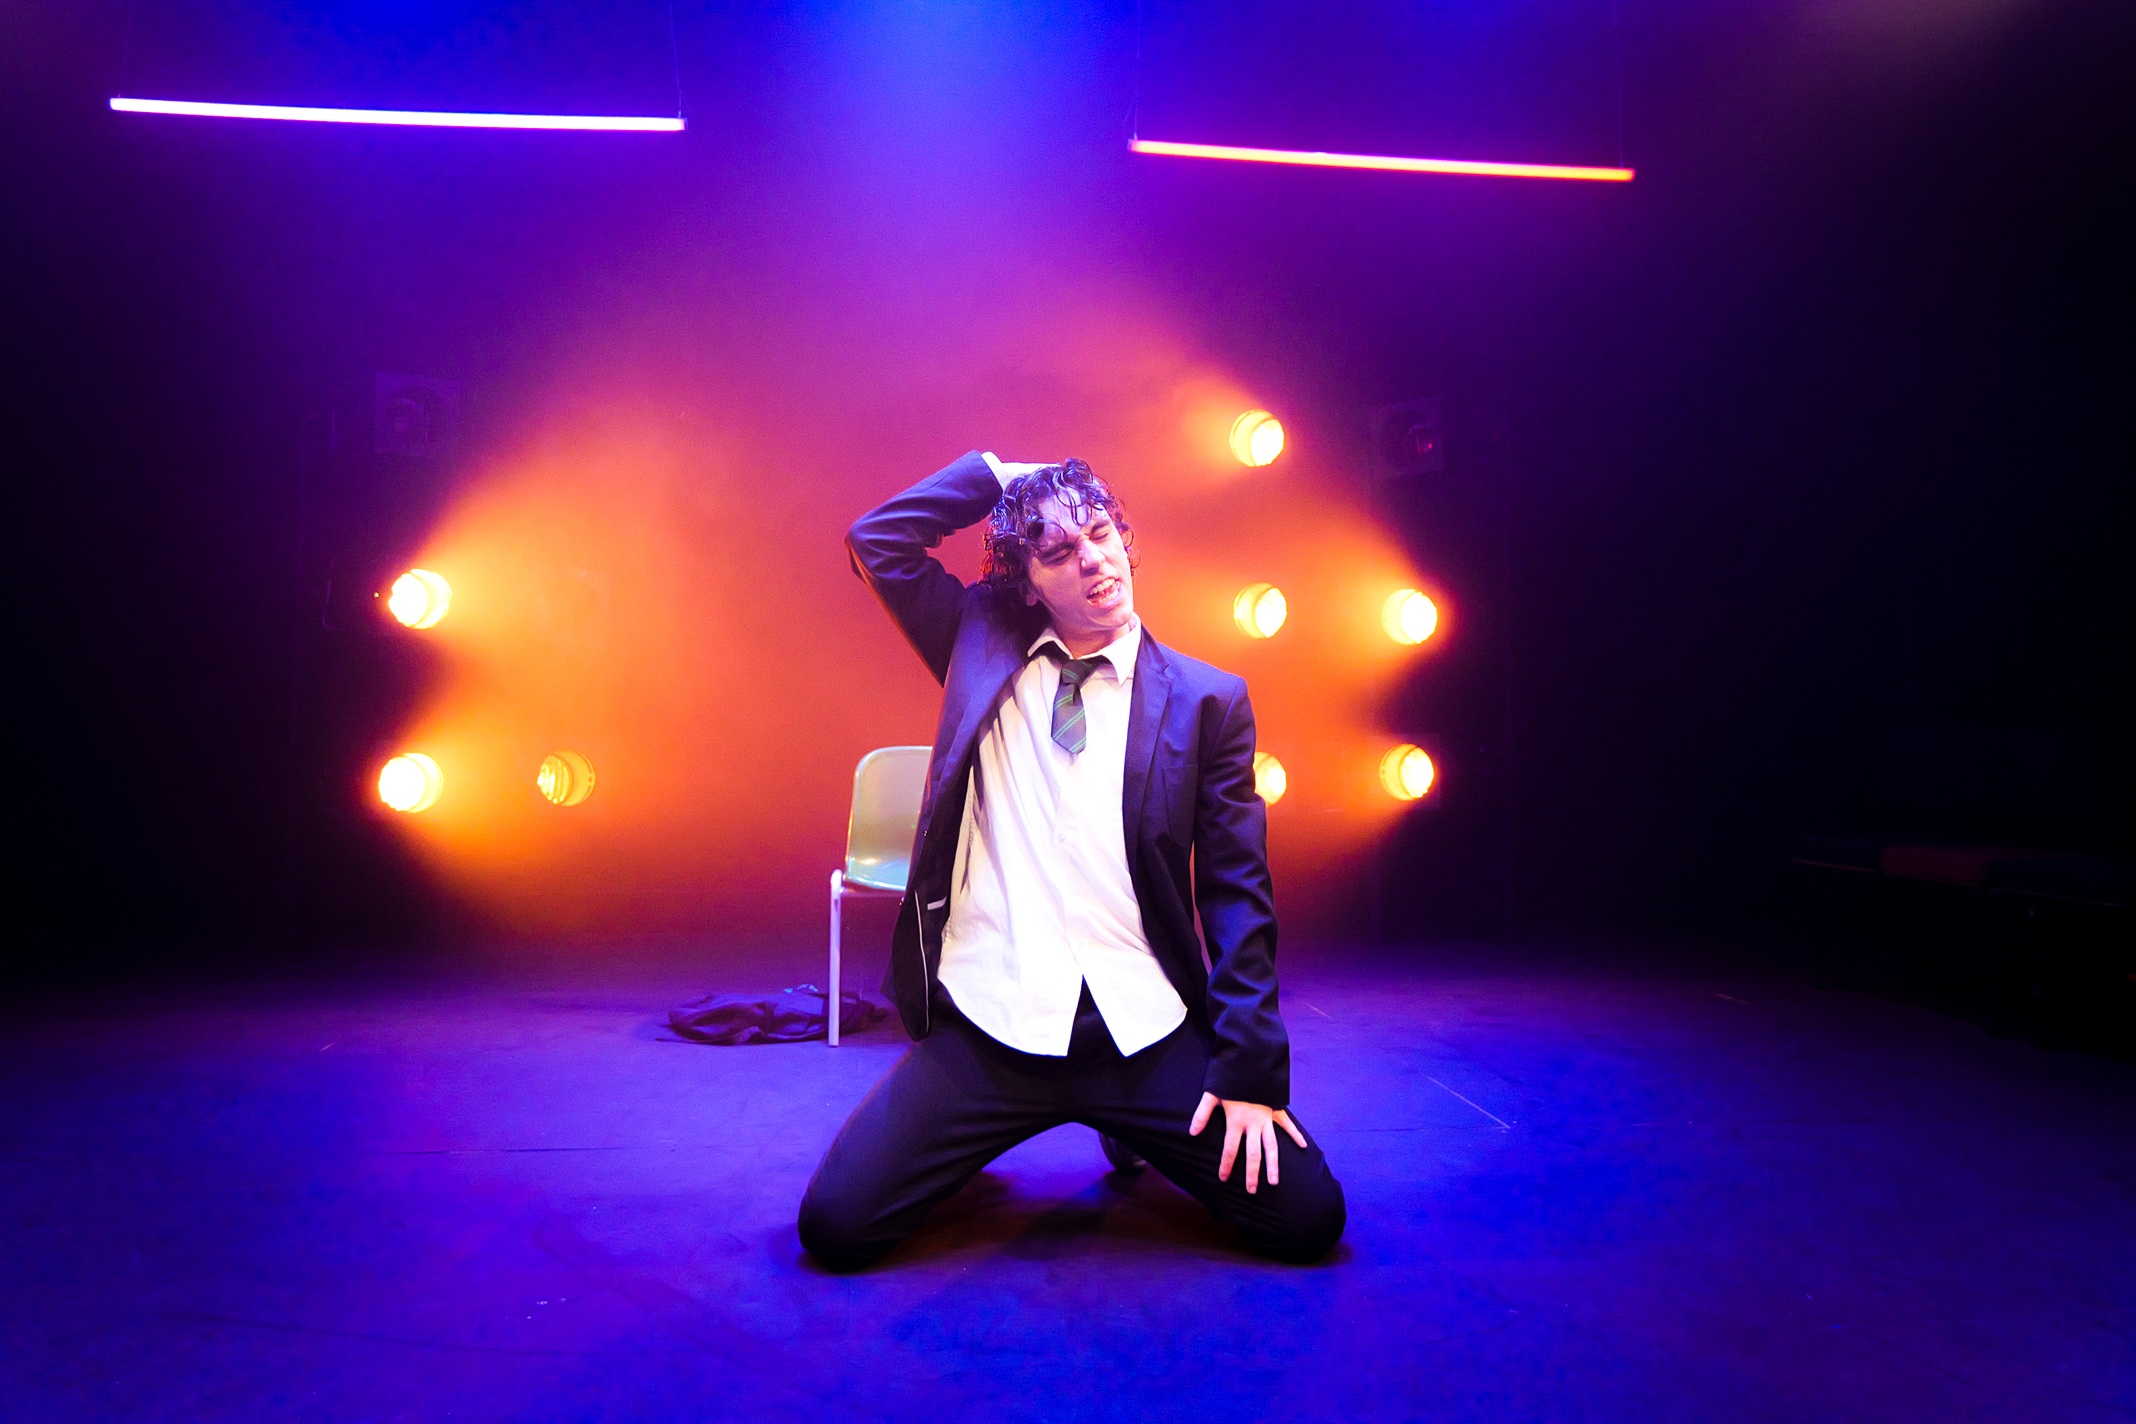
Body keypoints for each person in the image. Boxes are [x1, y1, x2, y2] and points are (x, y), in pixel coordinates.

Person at [798, 450, 1344, 1266]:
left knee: (1308, 1219)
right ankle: (971, 1149)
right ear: (1025, 584)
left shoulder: (1208, 701)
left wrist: (1249, 1071)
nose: (1091, 559)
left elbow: (1237, 894)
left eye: (1100, 534)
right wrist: (998, 472)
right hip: (993, 1026)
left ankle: (1134, 1132)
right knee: (835, 1229)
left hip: (1140, 1032)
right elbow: (877, 540)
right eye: (1057, 551)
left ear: (1124, 539)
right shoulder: (977, 646)